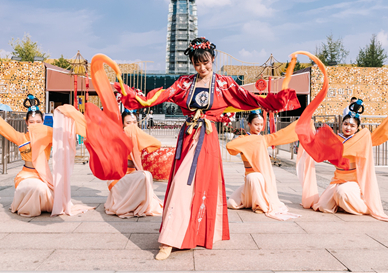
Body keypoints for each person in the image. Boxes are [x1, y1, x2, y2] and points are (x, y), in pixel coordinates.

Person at [114, 37, 300, 260]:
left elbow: (248, 98)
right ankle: (169, 239)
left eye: (206, 62)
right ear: (192, 63)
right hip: (189, 136)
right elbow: (161, 95)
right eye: (197, 64)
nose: (202, 68)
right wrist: (135, 97)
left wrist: (277, 100)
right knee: (181, 184)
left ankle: (196, 234)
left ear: (213, 59)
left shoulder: (224, 83)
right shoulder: (185, 82)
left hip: (208, 138)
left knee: (200, 186)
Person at [295, 52, 388, 226]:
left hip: (353, 181)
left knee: (344, 193)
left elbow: (384, 130)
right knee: (321, 206)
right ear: (341, 124)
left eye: (352, 126)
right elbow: (317, 147)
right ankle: (341, 199)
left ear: (357, 128)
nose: (348, 127)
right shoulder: (334, 138)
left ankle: (363, 206)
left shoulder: (363, 138)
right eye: (346, 124)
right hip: (337, 179)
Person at [0, 94, 91, 220]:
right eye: (32, 122)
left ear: (43, 121)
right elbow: (0, 125)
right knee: (35, 187)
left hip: (43, 176)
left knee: (42, 188)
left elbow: (65, 133)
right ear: (27, 123)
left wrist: (66, 112)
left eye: (38, 122)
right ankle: (29, 209)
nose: (35, 124)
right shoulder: (21, 138)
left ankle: (41, 206)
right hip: (25, 175)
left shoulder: (49, 135)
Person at [226, 110, 300, 221]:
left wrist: (302, 124)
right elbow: (230, 146)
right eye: (256, 124)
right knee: (231, 203)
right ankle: (253, 201)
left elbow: (282, 135)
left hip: (260, 177)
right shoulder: (243, 139)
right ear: (249, 124)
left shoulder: (263, 139)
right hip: (249, 179)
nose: (259, 127)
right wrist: (249, 140)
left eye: (261, 125)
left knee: (254, 177)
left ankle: (260, 205)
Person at [104, 109, 164, 218]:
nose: (132, 126)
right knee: (144, 175)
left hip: (132, 173)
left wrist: (138, 136)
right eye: (128, 123)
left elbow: (157, 143)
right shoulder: (116, 139)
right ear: (122, 125)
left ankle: (140, 205)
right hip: (118, 176)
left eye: (134, 123)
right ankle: (131, 206)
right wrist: (134, 161)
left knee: (146, 175)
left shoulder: (136, 137)